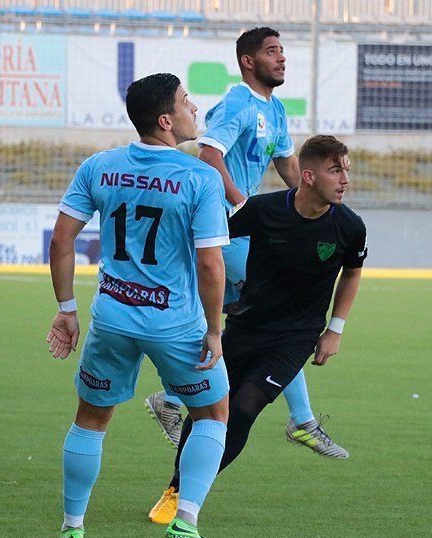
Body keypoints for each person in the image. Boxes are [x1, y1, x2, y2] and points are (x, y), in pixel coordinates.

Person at [145, 26, 349, 463]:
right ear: (248, 61)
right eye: (272, 52)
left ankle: (172, 398)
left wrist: (321, 209)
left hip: (241, 231)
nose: (281, 59)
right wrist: (242, 205)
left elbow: (290, 168)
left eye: (282, 52)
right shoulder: (238, 103)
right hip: (224, 229)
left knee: (265, 323)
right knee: (283, 320)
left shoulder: (274, 111)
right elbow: (210, 154)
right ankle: (301, 422)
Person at [47, 73, 230, 538]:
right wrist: (215, 328)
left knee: (90, 419)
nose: (195, 109)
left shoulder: (100, 166)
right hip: (176, 325)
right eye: (187, 103)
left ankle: (72, 530)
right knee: (212, 415)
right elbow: (211, 264)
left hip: (111, 318)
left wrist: (67, 309)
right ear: (167, 120)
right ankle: (185, 522)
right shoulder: (201, 178)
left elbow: (62, 240)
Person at [150, 135, 367, 525]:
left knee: (245, 407)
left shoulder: (350, 227)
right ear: (308, 175)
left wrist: (335, 329)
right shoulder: (264, 210)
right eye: (335, 170)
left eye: (346, 170)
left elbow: (352, 272)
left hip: (296, 337)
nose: (344, 179)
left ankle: (185, 494)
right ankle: (175, 484)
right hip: (245, 325)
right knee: (208, 405)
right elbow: (210, 244)